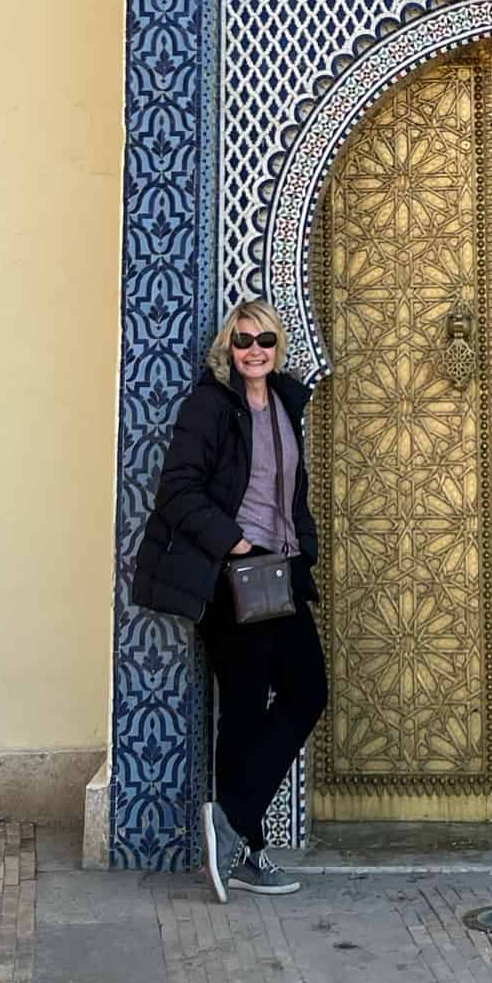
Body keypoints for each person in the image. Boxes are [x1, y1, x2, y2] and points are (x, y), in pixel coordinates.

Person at [132, 299, 327, 902]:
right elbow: (176, 491)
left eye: (264, 340)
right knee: (242, 711)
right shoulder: (210, 405)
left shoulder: (286, 402)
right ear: (229, 346)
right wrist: (236, 543)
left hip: (281, 574)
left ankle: (231, 821)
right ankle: (249, 851)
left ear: (279, 345)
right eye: (243, 340)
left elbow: (290, 492)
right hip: (233, 577)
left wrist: (305, 547)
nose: (254, 350)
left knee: (307, 693)